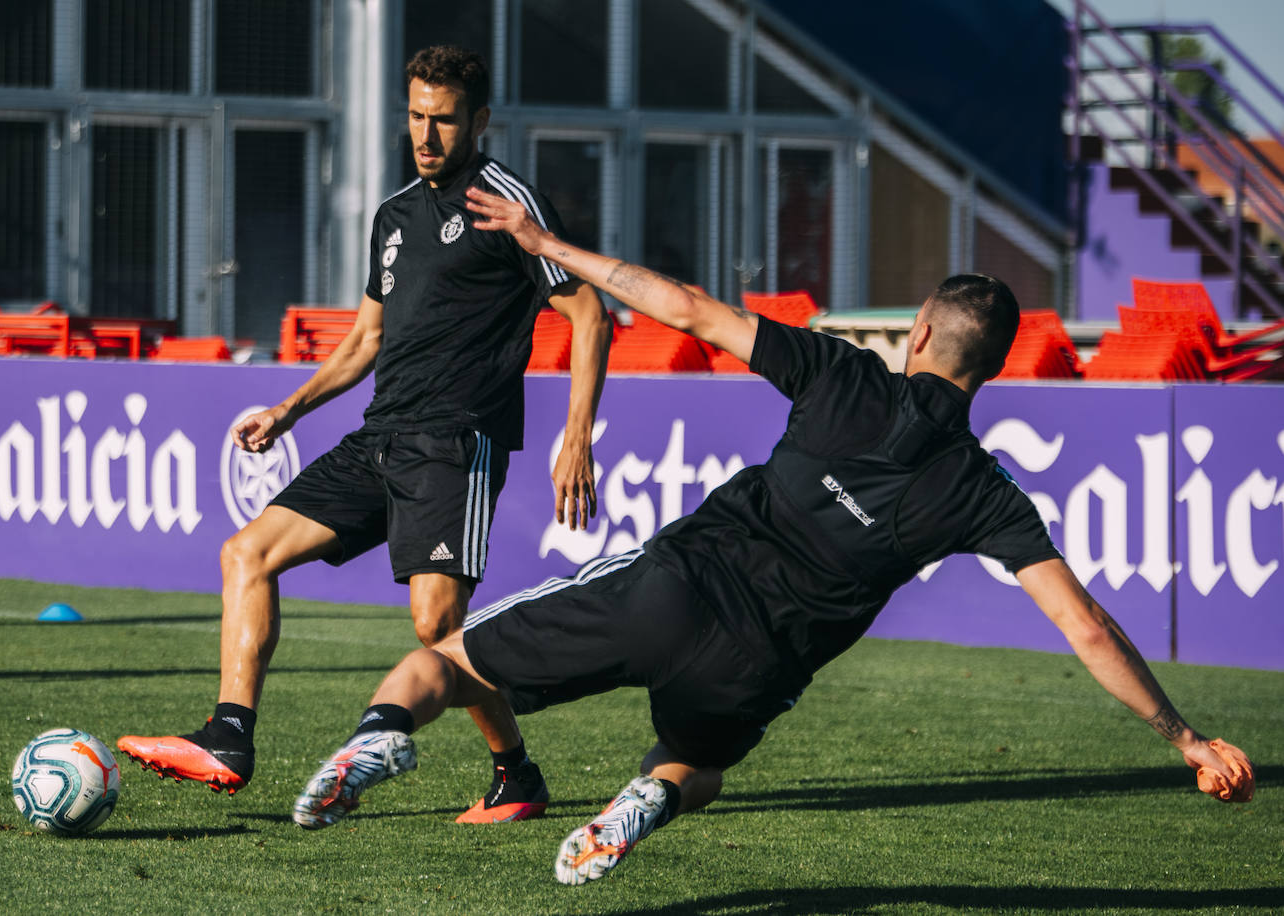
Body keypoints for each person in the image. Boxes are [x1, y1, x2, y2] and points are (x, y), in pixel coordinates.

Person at [284, 188, 1256, 883]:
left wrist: (548, 243)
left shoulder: (842, 374)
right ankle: (647, 798)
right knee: (697, 758)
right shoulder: (984, 492)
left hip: (674, 584)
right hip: (760, 662)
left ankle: (379, 739)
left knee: (444, 663)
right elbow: (1084, 624)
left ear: (916, 335)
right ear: (992, 369)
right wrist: (1185, 736)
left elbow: (686, 308)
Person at [117, 47, 612, 825]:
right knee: (245, 552)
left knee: (437, 628)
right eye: (415, 116)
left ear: (478, 121)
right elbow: (362, 341)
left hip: (455, 443)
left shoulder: (509, 203)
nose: (425, 133)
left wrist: (576, 435)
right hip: (379, 438)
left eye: (443, 119)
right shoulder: (396, 215)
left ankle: (514, 773)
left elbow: (589, 312)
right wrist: (287, 411)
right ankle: (228, 738)